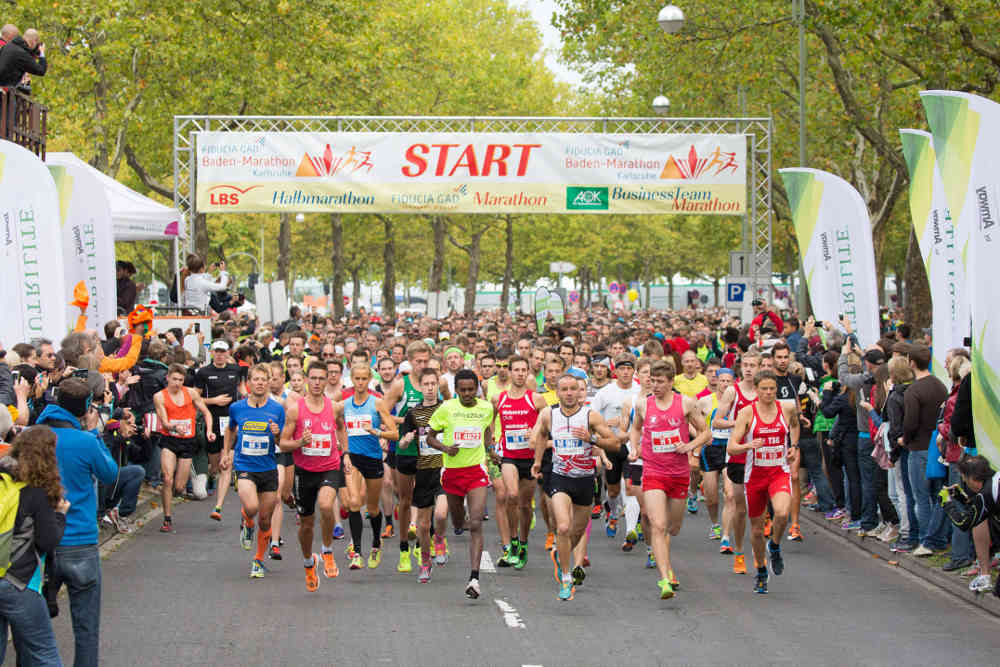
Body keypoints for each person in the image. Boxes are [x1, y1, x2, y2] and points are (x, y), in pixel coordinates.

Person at [38, 378, 119, 667]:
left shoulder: (37, 436)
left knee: (33, 628)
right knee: (85, 627)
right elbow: (110, 474)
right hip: (80, 541)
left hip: (41, 542)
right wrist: (96, 434)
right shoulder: (86, 441)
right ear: (86, 407)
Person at [531, 373, 622, 600]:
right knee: (562, 527)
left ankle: (560, 554)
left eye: (573, 389)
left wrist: (592, 439)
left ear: (579, 392)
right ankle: (565, 576)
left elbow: (615, 442)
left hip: (584, 480)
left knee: (576, 532)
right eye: (565, 389)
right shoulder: (548, 414)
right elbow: (541, 436)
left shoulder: (590, 416)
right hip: (559, 477)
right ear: (558, 392)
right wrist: (538, 461)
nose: (569, 393)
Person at [629, 361, 709, 599]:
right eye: (652, 381)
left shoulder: (685, 403)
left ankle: (666, 563)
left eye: (661, 382)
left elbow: (706, 432)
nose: (656, 386)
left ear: (671, 382)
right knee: (658, 524)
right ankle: (664, 578)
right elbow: (635, 428)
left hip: (679, 473)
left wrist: (690, 446)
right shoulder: (643, 404)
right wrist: (635, 446)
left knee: (673, 528)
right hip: (653, 471)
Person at [0, 426, 69, 667]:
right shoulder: (35, 492)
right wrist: (60, 515)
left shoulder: (3, 480)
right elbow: (47, 541)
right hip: (18, 580)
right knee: (44, 654)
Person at [728, 371, 800, 594]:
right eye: (764, 389)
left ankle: (775, 546)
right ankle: (760, 570)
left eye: (772, 389)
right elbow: (731, 446)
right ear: (756, 390)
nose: (769, 393)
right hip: (755, 476)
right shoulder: (747, 412)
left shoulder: (786, 408)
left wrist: (793, 446)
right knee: (757, 530)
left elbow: (796, 425)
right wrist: (748, 446)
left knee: (781, 513)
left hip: (778, 471)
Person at [427, 369, 496, 599]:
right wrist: (446, 449)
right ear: (456, 390)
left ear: (477, 388)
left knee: (476, 522)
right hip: (452, 473)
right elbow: (430, 436)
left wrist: (491, 450)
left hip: (476, 470)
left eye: (471, 389)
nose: (467, 393)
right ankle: (452, 527)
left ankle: (474, 578)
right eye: (462, 390)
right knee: (458, 522)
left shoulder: (486, 408)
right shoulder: (447, 408)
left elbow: (487, 432)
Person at [279, 363, 349, 592]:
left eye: (322, 378)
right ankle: (309, 563)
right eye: (314, 378)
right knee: (307, 524)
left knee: (326, 505)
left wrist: (345, 454)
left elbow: (341, 428)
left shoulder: (335, 407)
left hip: (330, 466)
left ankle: (327, 550)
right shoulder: (295, 410)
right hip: (304, 471)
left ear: (327, 380)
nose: (318, 382)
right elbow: (283, 442)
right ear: (307, 380)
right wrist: (300, 442)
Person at [220, 364, 285, 579]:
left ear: (268, 382)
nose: (259, 383)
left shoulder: (277, 409)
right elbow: (230, 430)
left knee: (265, 519)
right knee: (252, 507)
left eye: (263, 379)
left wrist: (276, 434)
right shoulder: (237, 408)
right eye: (255, 379)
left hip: (268, 467)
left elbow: (280, 441)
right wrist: (226, 452)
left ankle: (258, 560)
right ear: (248, 383)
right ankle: (247, 521)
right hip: (244, 465)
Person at [342, 363, 398, 570]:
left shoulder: (377, 404)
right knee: (354, 502)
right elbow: (336, 425)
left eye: (364, 379)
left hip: (373, 459)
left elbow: (394, 433)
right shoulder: (345, 404)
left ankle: (376, 542)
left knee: (373, 508)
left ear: (369, 380)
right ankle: (357, 552)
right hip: (353, 459)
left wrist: (378, 433)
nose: (360, 382)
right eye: (356, 379)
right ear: (352, 380)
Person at [397, 368, 451, 582]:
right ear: (420, 387)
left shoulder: (447, 409)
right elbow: (401, 442)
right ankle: (425, 563)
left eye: (433, 384)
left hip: (445, 468)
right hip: (424, 470)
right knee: (423, 524)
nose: (429, 388)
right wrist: (406, 440)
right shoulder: (413, 413)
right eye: (426, 384)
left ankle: (440, 540)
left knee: (440, 514)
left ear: (438, 386)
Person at [494, 354, 547, 570]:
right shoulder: (499, 399)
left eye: (524, 370)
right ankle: (513, 542)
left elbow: (547, 425)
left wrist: (534, 431)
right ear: (509, 372)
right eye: (516, 370)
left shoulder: (536, 399)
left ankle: (523, 543)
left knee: (525, 505)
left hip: (531, 458)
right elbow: (490, 423)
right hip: (509, 456)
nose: (520, 374)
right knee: (512, 495)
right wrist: (491, 446)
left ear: (528, 373)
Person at [712, 348, 760, 572]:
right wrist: (739, 424)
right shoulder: (733, 392)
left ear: (760, 368)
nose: (749, 369)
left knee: (758, 511)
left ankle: (759, 555)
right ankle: (739, 553)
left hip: (761, 457)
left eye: (753, 365)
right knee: (739, 508)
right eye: (746, 365)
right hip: (738, 454)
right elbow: (717, 422)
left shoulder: (766, 391)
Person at [197, 341, 245, 523]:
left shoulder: (235, 370)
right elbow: (196, 399)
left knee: (226, 464)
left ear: (228, 353)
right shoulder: (203, 373)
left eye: (223, 351)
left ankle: (218, 507)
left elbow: (241, 389)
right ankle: (211, 475)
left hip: (232, 423)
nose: (219, 355)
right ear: (212, 352)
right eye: (217, 351)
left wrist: (246, 400)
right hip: (213, 422)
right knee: (215, 465)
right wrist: (214, 401)